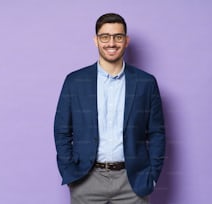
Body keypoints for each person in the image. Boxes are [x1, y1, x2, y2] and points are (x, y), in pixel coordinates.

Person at [54, 13, 166, 204]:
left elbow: (157, 133)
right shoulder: (75, 81)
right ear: (96, 40)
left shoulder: (146, 83)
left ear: (126, 40)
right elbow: (62, 130)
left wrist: (152, 176)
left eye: (118, 37)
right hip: (86, 180)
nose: (111, 43)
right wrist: (70, 172)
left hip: (132, 182)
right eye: (105, 37)